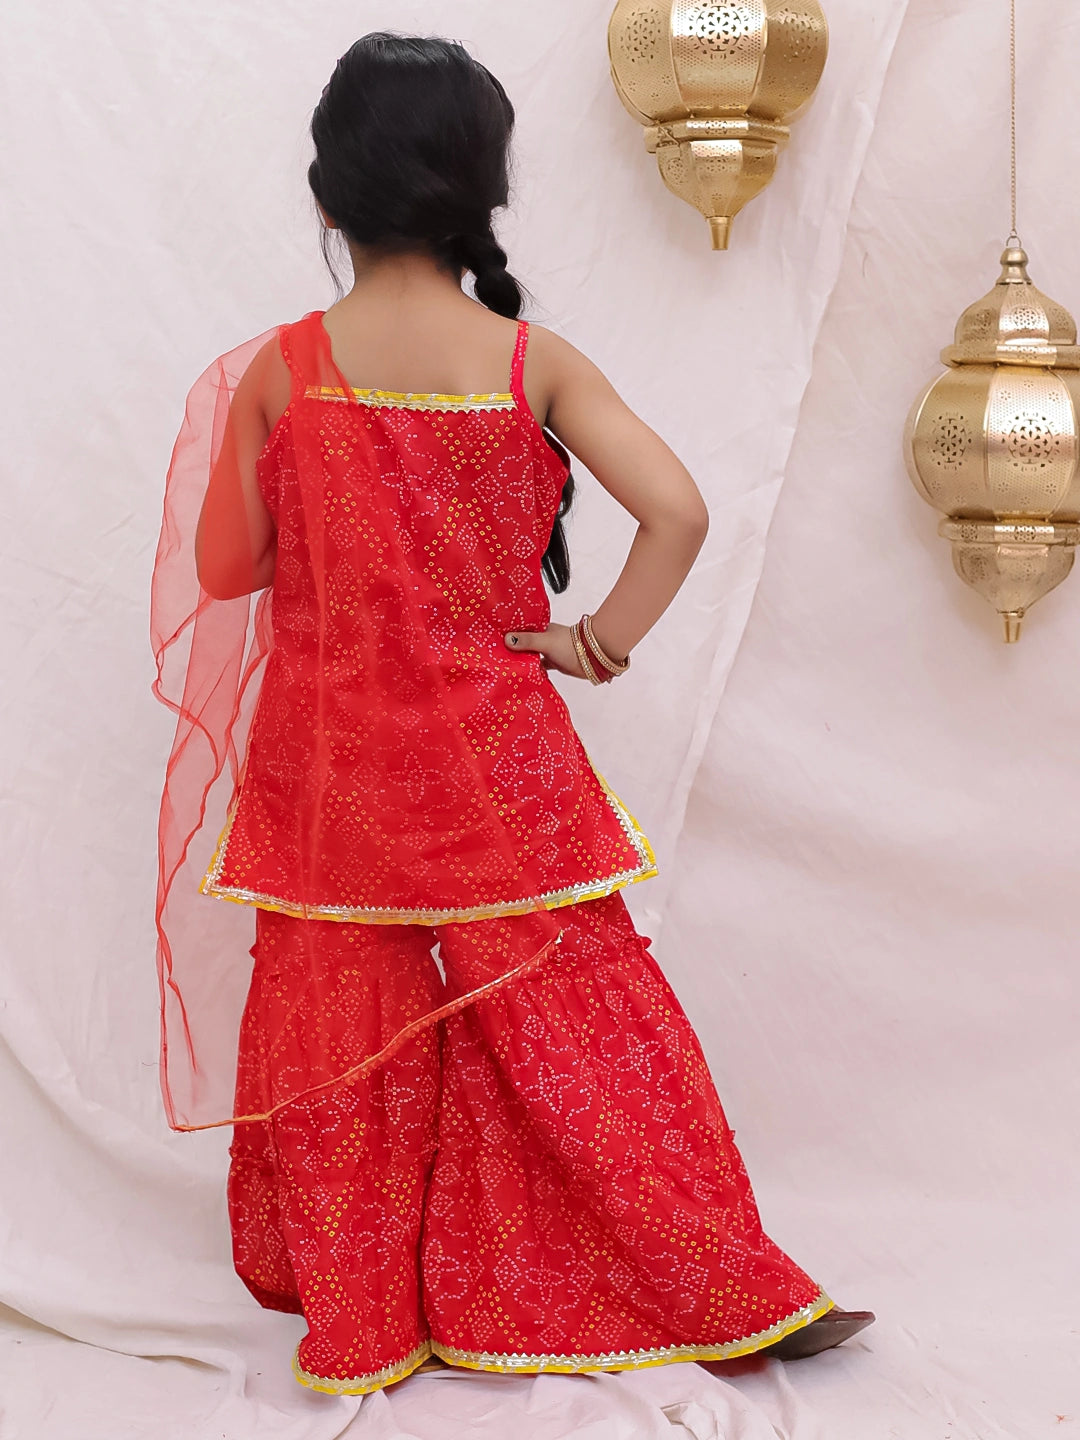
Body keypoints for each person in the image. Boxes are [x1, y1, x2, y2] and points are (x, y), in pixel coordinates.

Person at [151, 32, 873, 1397]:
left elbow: (227, 572)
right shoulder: (530, 359)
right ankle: (719, 1282)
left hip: (331, 773)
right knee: (582, 1020)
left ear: (327, 196)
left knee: (338, 1034)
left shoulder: (282, 372)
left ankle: (364, 1327)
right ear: (482, 192)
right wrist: (594, 644)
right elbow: (679, 511)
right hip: (497, 761)